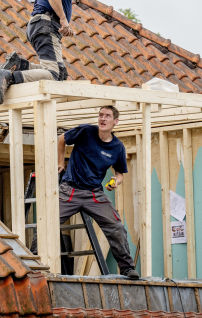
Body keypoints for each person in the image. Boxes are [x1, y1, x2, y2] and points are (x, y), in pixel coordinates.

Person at [0, 0, 90, 104]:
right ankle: (9, 76)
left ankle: (19, 64)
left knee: (60, 74)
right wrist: (64, 20)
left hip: (39, 24)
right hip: (47, 25)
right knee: (53, 74)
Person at [58, 106, 139, 279]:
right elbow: (61, 139)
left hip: (94, 194)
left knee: (116, 226)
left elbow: (119, 174)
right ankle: (34, 265)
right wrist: (60, 164)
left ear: (115, 121)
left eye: (107, 116)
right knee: (47, 223)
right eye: (101, 115)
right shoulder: (86, 131)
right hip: (69, 190)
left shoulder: (117, 147)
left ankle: (127, 268)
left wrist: (115, 182)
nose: (102, 119)